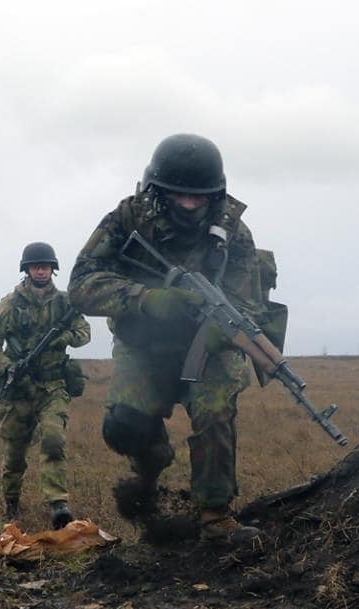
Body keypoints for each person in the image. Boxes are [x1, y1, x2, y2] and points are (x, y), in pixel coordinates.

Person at [68, 133, 279, 545]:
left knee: (215, 415)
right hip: (143, 345)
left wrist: (223, 328)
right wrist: (148, 299)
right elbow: (81, 284)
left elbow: (247, 301)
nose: (187, 204)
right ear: (157, 190)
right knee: (123, 426)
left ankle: (215, 517)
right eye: (178, 195)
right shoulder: (128, 219)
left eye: (197, 198)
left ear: (213, 194)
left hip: (211, 346)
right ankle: (152, 465)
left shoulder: (234, 233)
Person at [0, 242, 91, 529]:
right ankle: (11, 504)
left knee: (53, 439)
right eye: (35, 266)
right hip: (18, 388)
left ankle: (58, 505)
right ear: (27, 269)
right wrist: (6, 366)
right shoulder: (11, 303)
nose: (41, 270)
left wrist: (62, 338)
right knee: (14, 455)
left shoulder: (66, 302)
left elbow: (84, 333)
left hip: (53, 385)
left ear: (53, 269)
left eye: (45, 266)